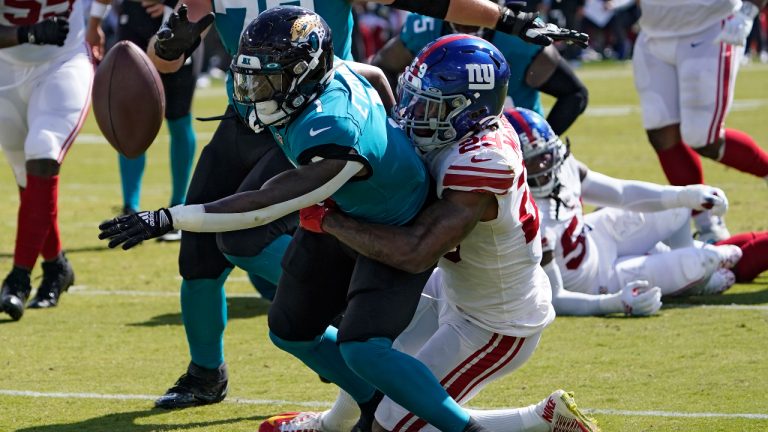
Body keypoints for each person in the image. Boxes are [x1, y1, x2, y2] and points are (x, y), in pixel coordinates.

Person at [124, 0, 588, 410]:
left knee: (242, 235)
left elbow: (432, 2)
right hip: (249, 114)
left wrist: (507, 19)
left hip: (322, 121)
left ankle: (346, 310)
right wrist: (167, 48)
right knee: (200, 254)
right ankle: (207, 372)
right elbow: (164, 65)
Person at [258, 34, 598, 432]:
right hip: (453, 288)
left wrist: (329, 219)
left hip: (494, 321)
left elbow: (415, 251)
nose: (412, 110)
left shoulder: (481, 162)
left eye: (429, 103)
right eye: (413, 95)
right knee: (374, 360)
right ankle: (328, 425)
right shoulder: (460, 132)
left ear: (468, 110)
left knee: (393, 422)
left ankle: (535, 420)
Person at [504, 108, 744, 317]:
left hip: (596, 235)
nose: (544, 167)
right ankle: (691, 269)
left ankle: (685, 266)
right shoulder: (524, 216)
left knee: (677, 206)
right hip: (598, 281)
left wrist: (686, 194)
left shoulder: (565, 165)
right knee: (707, 261)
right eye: (532, 162)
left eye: (545, 156)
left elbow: (620, 193)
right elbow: (554, 298)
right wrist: (613, 303)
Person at [0, 0, 109, 321]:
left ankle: (18, 279)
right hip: (6, 68)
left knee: (43, 150)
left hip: (64, 59)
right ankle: (56, 266)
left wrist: (95, 22)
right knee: (26, 177)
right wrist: (27, 33)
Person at [632, 0, 768, 242]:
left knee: (703, 137)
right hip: (653, 33)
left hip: (709, 28)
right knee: (661, 134)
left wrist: (748, 12)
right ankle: (707, 223)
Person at [371, 2, 589, 135]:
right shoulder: (425, 27)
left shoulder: (516, 41)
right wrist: (395, 121)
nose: (468, 14)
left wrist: (534, 144)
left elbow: (575, 93)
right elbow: (382, 67)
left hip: (506, 147)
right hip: (440, 143)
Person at [112, 0, 201, 242]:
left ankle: (178, 209)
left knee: (179, 119)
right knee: (131, 122)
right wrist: (96, 21)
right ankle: (130, 208)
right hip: (133, 25)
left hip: (177, 21)